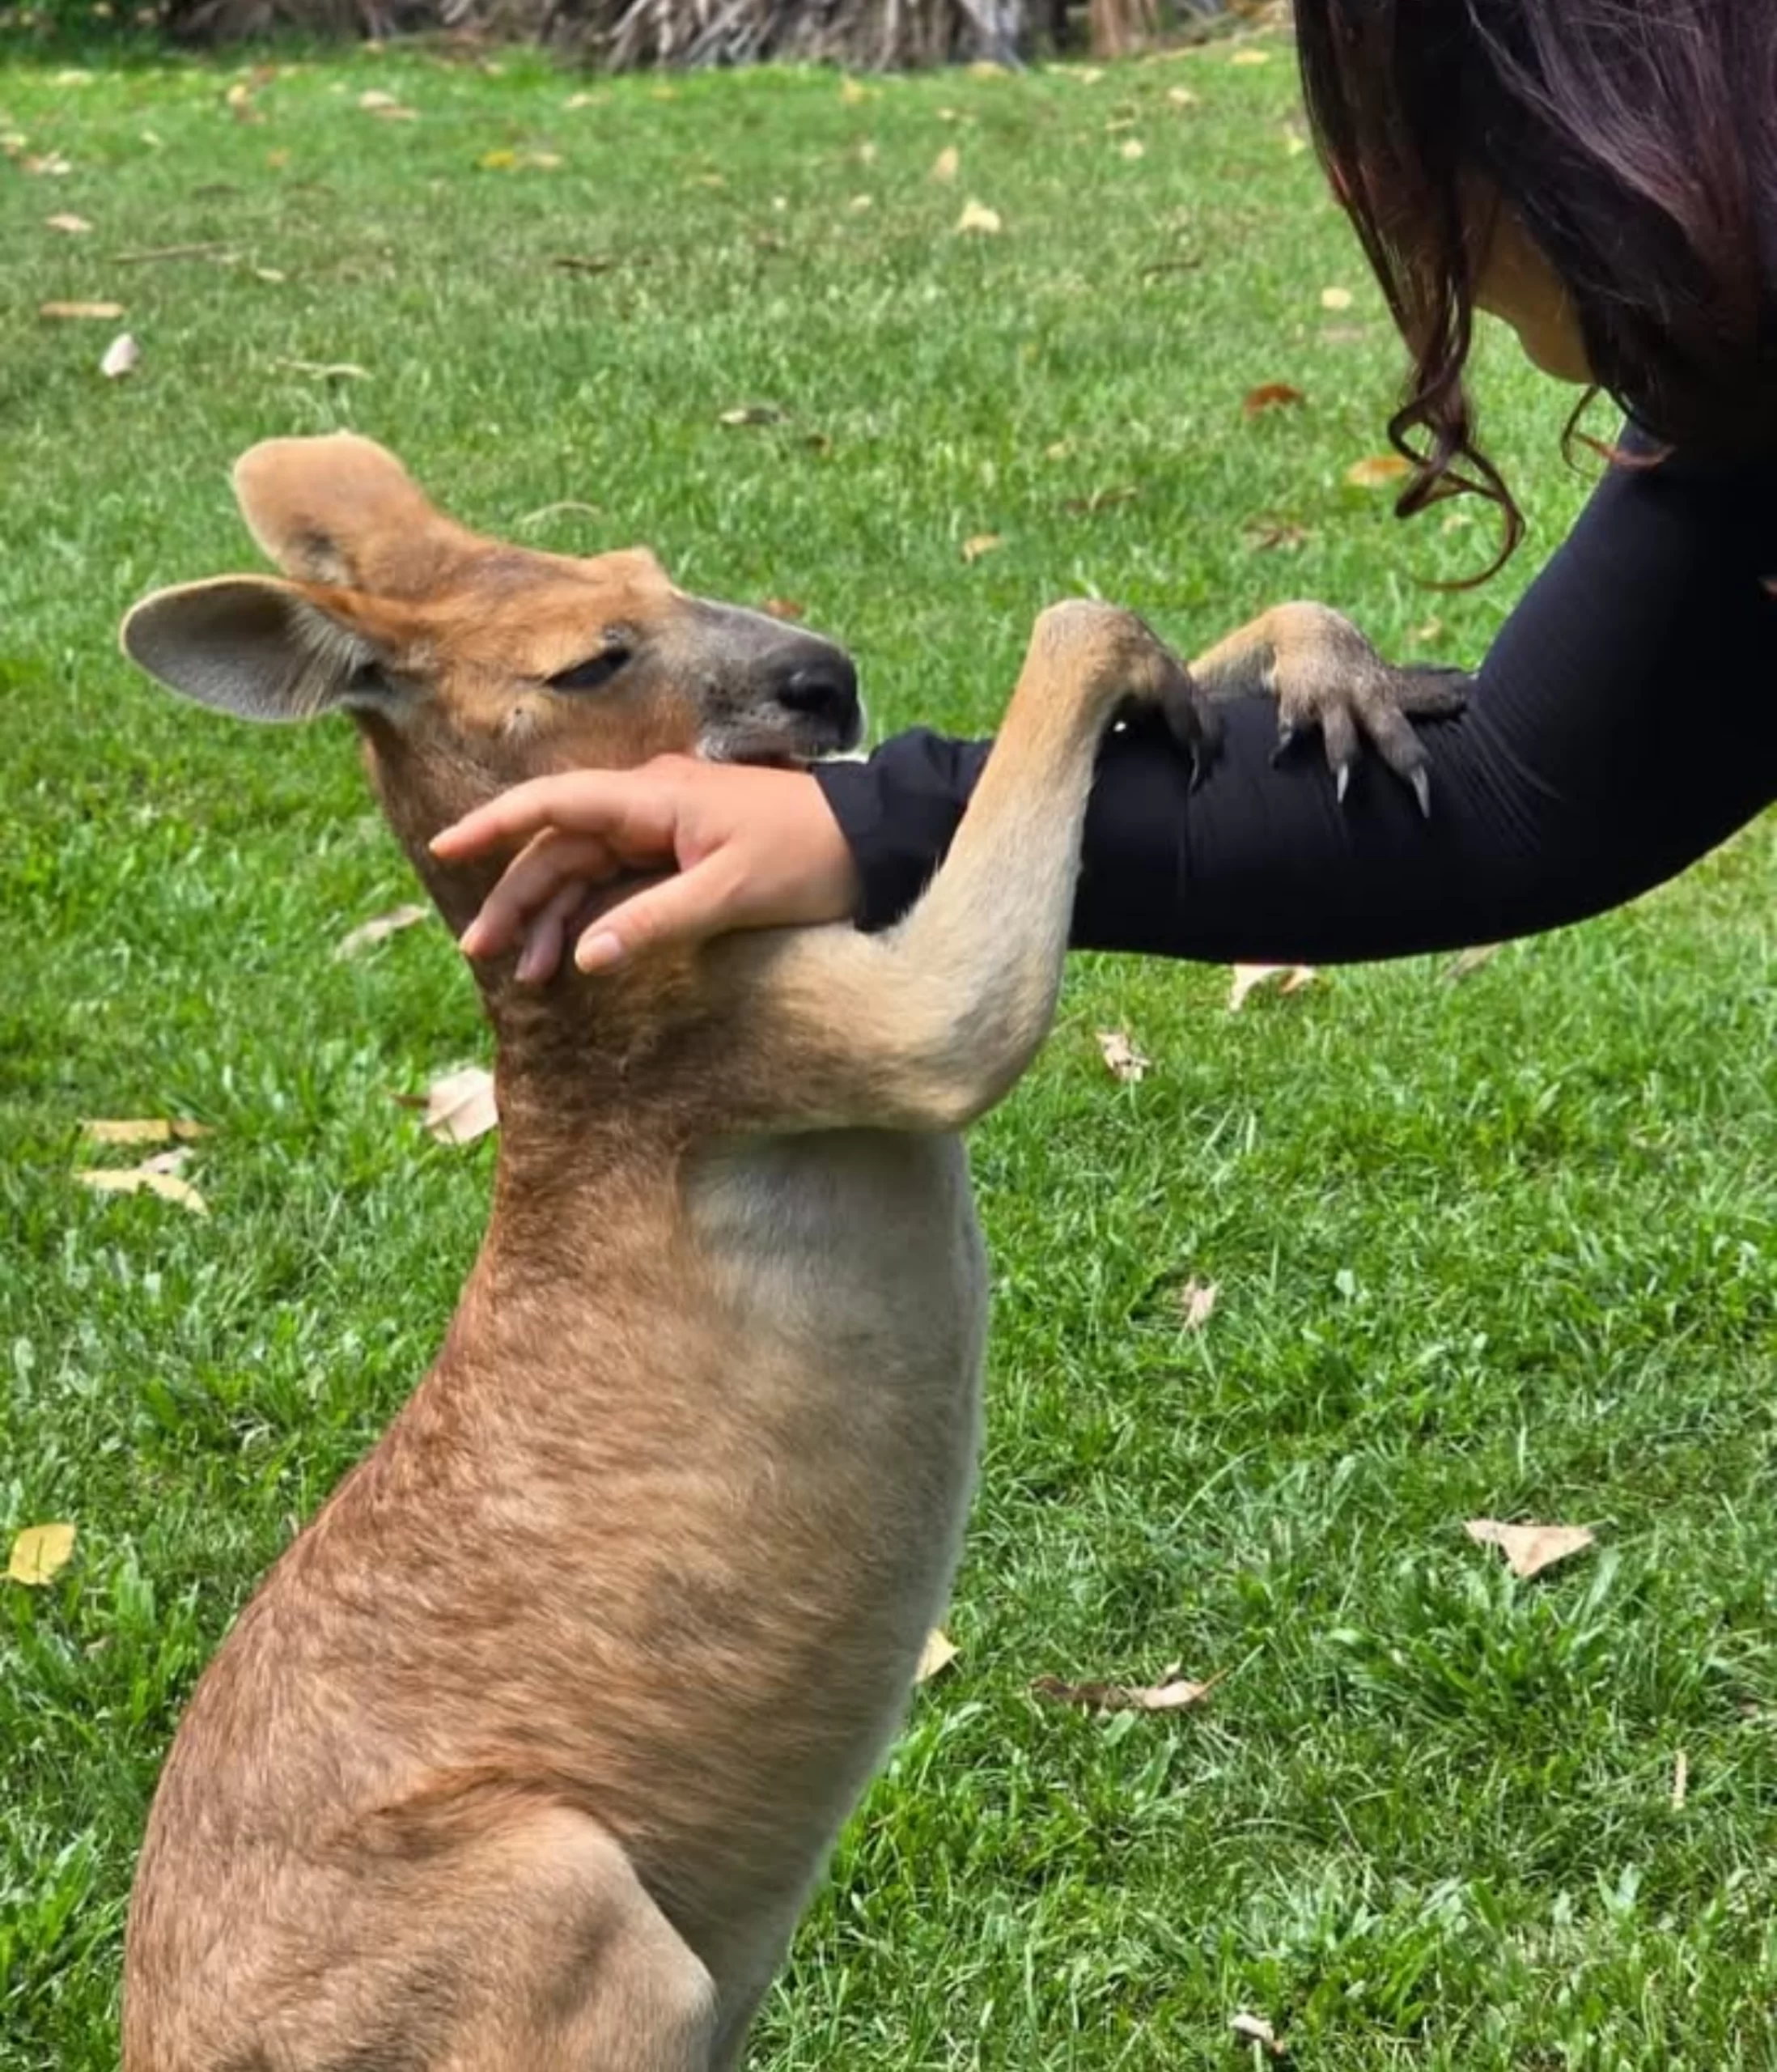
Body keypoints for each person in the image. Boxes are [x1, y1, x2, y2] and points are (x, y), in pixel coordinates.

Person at [433, 0, 1776, 986]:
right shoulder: (1734, 409)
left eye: (1419, 129)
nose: (1370, 193)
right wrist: (868, 821)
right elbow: (1512, 791)